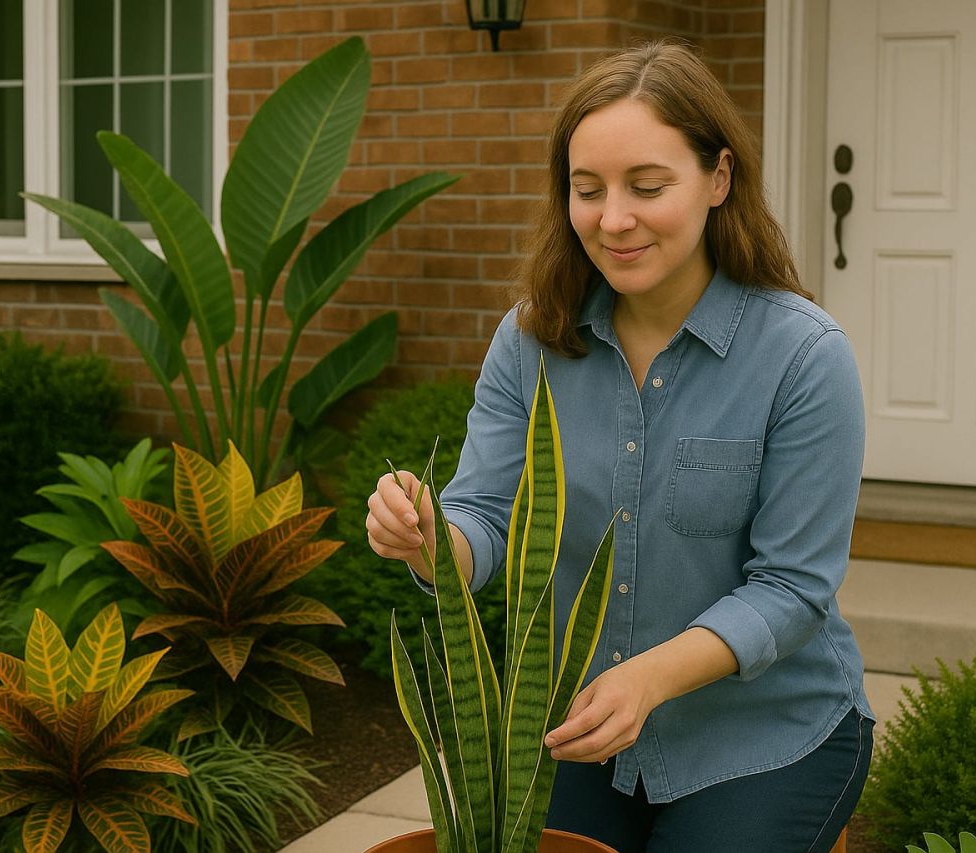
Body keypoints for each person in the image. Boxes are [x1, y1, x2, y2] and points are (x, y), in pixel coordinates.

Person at [365, 39, 874, 853]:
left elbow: (792, 587)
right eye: (587, 190)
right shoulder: (530, 339)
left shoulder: (805, 358)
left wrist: (647, 678)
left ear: (719, 178)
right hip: (580, 732)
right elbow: (483, 521)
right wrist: (428, 537)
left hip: (764, 736)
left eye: (647, 186)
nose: (613, 219)